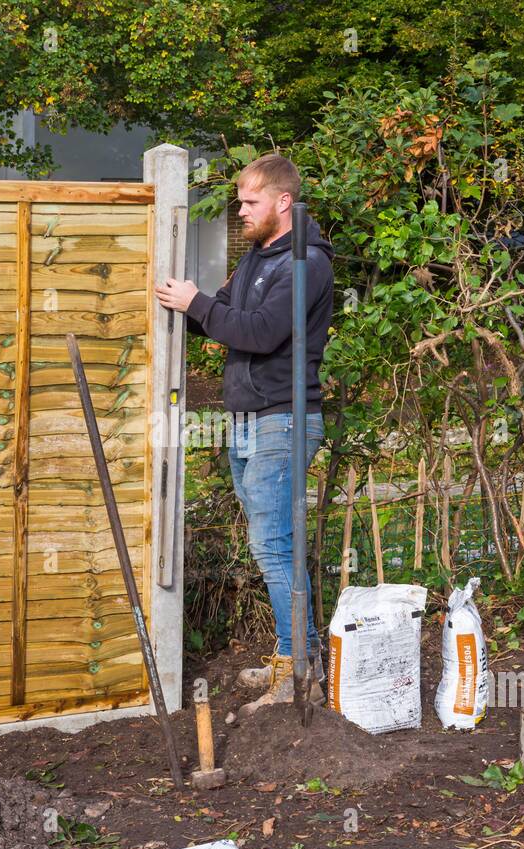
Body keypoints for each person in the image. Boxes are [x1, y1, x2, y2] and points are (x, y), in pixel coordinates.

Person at [153, 153, 336, 720]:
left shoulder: (305, 264)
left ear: (283, 201)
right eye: (239, 200)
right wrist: (181, 303)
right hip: (248, 419)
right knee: (274, 543)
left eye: (250, 201)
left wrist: (197, 302)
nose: (240, 210)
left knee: (274, 545)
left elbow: (257, 332)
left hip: (283, 417)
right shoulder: (258, 257)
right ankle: (292, 653)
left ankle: (298, 669)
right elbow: (220, 315)